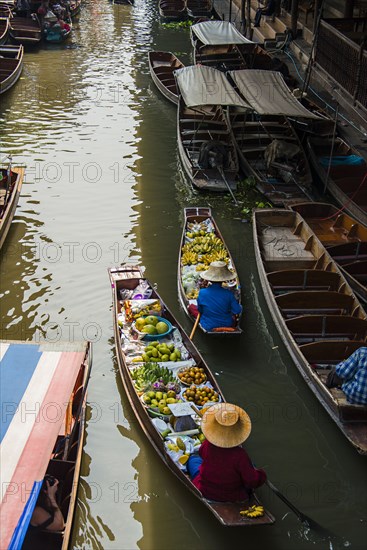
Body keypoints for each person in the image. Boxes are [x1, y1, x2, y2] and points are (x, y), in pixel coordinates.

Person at [186, 403, 266, 502]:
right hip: (233, 495)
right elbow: (252, 482)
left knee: (193, 459)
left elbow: (202, 453)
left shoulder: (208, 444)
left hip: (206, 491)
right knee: (251, 467)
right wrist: (262, 475)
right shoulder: (240, 455)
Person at [196, 261, 242, 332]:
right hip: (227, 324)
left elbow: (200, 310)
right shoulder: (229, 294)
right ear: (223, 280)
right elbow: (237, 310)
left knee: (191, 308)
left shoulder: (202, 292)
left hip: (208, 325)